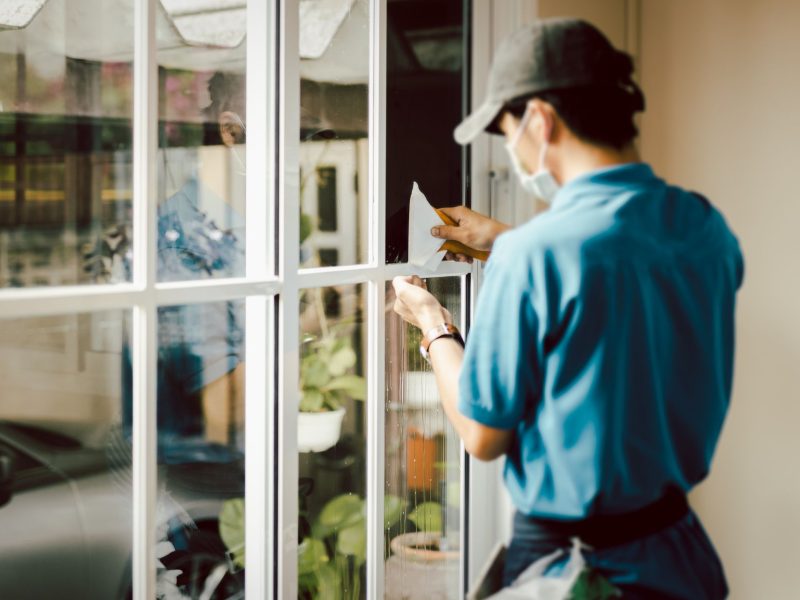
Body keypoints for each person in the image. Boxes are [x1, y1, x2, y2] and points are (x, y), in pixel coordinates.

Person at [392, 18, 742, 599]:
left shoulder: (535, 257)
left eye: (507, 132)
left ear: (540, 120)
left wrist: (434, 326)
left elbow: (483, 436)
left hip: (576, 569)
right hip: (679, 552)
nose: (510, 148)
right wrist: (504, 240)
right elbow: (620, 271)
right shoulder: (702, 225)